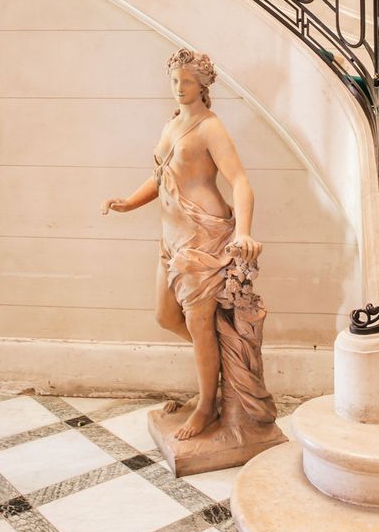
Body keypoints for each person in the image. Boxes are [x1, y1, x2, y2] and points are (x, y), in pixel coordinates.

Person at [102, 48, 276, 442]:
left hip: (204, 238)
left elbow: (240, 181)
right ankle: (221, 363)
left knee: (199, 325)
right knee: (166, 317)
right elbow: (161, 175)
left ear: (203, 85)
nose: (179, 88)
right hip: (172, 238)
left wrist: (244, 231)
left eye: (187, 81)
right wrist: (129, 201)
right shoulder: (173, 123)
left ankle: (206, 405)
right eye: (175, 80)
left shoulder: (210, 127)